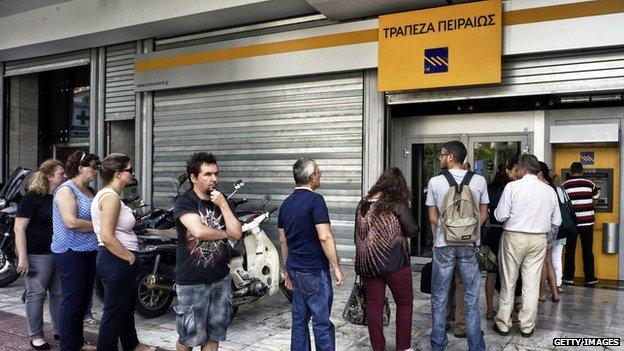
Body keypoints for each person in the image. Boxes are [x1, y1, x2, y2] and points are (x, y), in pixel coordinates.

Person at [173, 152, 242, 351]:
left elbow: (236, 233)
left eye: (216, 174)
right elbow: (199, 232)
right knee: (188, 337)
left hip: (220, 279)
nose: (214, 179)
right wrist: (225, 233)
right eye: (208, 174)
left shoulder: (222, 201)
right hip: (192, 280)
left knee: (214, 335)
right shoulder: (185, 201)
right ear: (193, 178)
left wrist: (223, 205)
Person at [278, 157, 345, 351]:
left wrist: (287, 270)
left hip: (296, 270)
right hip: (314, 271)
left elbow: (283, 241)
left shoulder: (286, 204)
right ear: (311, 177)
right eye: (318, 171)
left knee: (299, 321)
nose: (320, 174)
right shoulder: (316, 201)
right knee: (321, 322)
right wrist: (336, 268)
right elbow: (325, 237)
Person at [425, 141, 487, 351]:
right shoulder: (479, 180)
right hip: (470, 244)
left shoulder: (435, 181)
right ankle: (476, 346)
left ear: (451, 157)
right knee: (471, 296)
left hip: (444, 244)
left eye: (442, 155)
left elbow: (433, 216)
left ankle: (438, 344)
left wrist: (448, 229)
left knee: (440, 295)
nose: (440, 158)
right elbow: (484, 214)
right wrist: (467, 230)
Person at [492, 154, 561, 338]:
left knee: (509, 281)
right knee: (531, 284)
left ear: (522, 168)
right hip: (538, 239)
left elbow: (500, 216)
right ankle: (527, 326)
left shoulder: (512, 187)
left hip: (514, 237)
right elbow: (557, 221)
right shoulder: (549, 190)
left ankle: (503, 324)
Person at [92, 154, 154, 351]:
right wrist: (130, 258)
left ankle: (132, 344)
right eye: (129, 170)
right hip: (116, 259)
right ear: (118, 174)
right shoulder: (110, 198)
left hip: (116, 259)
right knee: (113, 313)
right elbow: (107, 236)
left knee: (125, 308)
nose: (133, 173)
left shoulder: (111, 196)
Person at [354, 167, 419, 351]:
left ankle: (378, 348)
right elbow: (412, 230)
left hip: (368, 264)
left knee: (374, 305)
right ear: (398, 186)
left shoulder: (363, 203)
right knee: (404, 304)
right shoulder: (396, 203)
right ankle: (404, 347)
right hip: (395, 263)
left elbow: (358, 234)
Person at [15, 160, 66, 350]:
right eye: (61, 173)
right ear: (49, 176)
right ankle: (36, 335)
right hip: (36, 254)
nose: (65, 176)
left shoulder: (61, 196)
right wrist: (23, 257)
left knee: (59, 294)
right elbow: (19, 229)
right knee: (36, 294)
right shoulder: (31, 198)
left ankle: (60, 330)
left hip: (58, 251)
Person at [52, 150, 100, 351]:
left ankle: (77, 341)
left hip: (90, 249)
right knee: (72, 299)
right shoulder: (66, 190)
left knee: (83, 299)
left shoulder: (91, 191)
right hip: (70, 251)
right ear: (80, 168)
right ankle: (69, 346)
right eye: (93, 167)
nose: (96, 171)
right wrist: (101, 225)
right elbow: (71, 222)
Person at [483, 158, 518, 320]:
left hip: (491, 232)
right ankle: (508, 309)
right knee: (508, 273)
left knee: (491, 272)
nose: (517, 173)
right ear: (508, 171)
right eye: (515, 170)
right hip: (507, 233)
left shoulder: (490, 188)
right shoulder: (512, 188)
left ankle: (490, 309)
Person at [561, 162, 600, 286]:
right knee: (587, 250)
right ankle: (590, 278)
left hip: (571, 224)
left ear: (571, 171)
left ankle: (568, 277)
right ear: (582, 171)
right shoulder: (590, 183)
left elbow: (562, 203)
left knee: (570, 251)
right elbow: (597, 197)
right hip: (587, 222)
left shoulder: (564, 185)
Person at [537, 162, 561, 303]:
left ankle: (541, 293)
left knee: (543, 263)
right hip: (553, 228)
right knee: (549, 261)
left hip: (545, 228)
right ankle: (555, 293)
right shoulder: (552, 187)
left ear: (540, 173)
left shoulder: (543, 187)